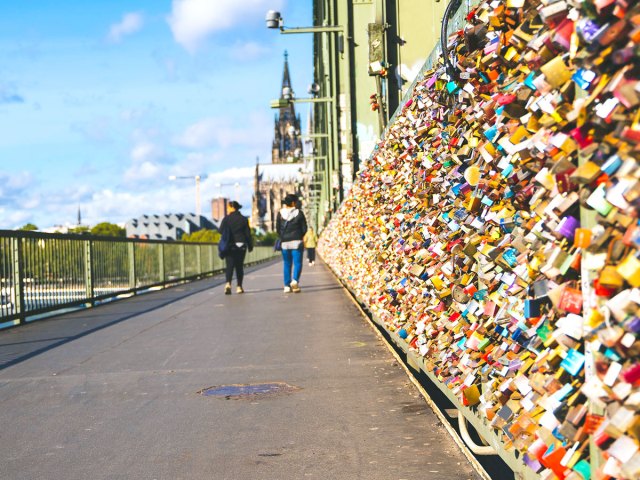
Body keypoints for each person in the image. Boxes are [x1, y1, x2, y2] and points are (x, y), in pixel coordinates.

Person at [219, 201, 253, 294]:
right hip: (241, 244)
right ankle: (239, 286)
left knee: (229, 266)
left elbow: (221, 230)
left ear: (232, 207)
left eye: (228, 207)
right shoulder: (244, 219)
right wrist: (250, 245)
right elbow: (247, 234)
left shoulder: (226, 219)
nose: (227, 209)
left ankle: (228, 284)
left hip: (230, 245)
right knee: (239, 266)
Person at [276, 193, 307, 293]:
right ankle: (295, 281)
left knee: (287, 264)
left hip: (285, 243)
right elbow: (304, 228)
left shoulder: (280, 213)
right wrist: (299, 235)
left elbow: (277, 229)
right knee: (297, 263)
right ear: (293, 202)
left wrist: (283, 236)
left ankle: (286, 286)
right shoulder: (299, 213)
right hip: (297, 242)